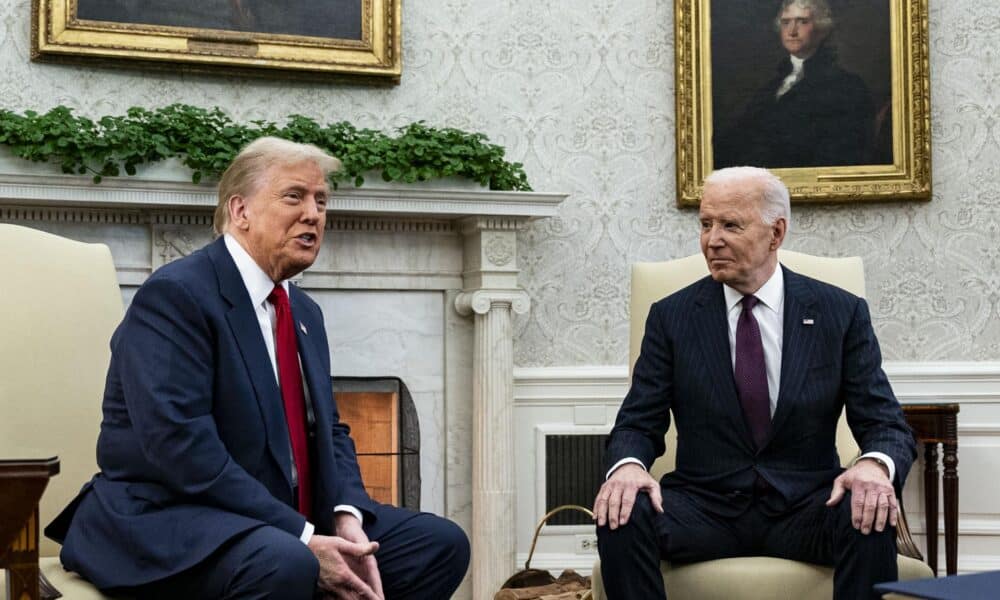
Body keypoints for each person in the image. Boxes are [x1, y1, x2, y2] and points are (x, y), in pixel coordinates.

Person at [45, 137, 469, 599]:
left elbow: (329, 429)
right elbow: (180, 447)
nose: (314, 214)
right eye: (294, 197)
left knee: (439, 544)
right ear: (240, 211)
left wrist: (348, 514)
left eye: (321, 201)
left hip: (271, 517)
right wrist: (304, 537)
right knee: (286, 561)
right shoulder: (176, 296)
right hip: (168, 516)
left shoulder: (303, 312)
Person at [593, 166, 916, 600]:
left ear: (775, 232)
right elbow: (637, 423)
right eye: (705, 224)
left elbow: (886, 425)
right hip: (704, 508)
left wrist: (874, 467)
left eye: (730, 225)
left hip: (807, 507)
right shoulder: (672, 317)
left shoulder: (839, 313)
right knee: (622, 511)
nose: (713, 240)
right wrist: (628, 467)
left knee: (868, 509)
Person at [713, 0, 876, 168]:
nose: (792, 31)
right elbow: (740, 138)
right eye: (786, 22)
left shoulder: (847, 87)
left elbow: (842, 154)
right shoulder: (771, 87)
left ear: (822, 30)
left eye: (803, 22)